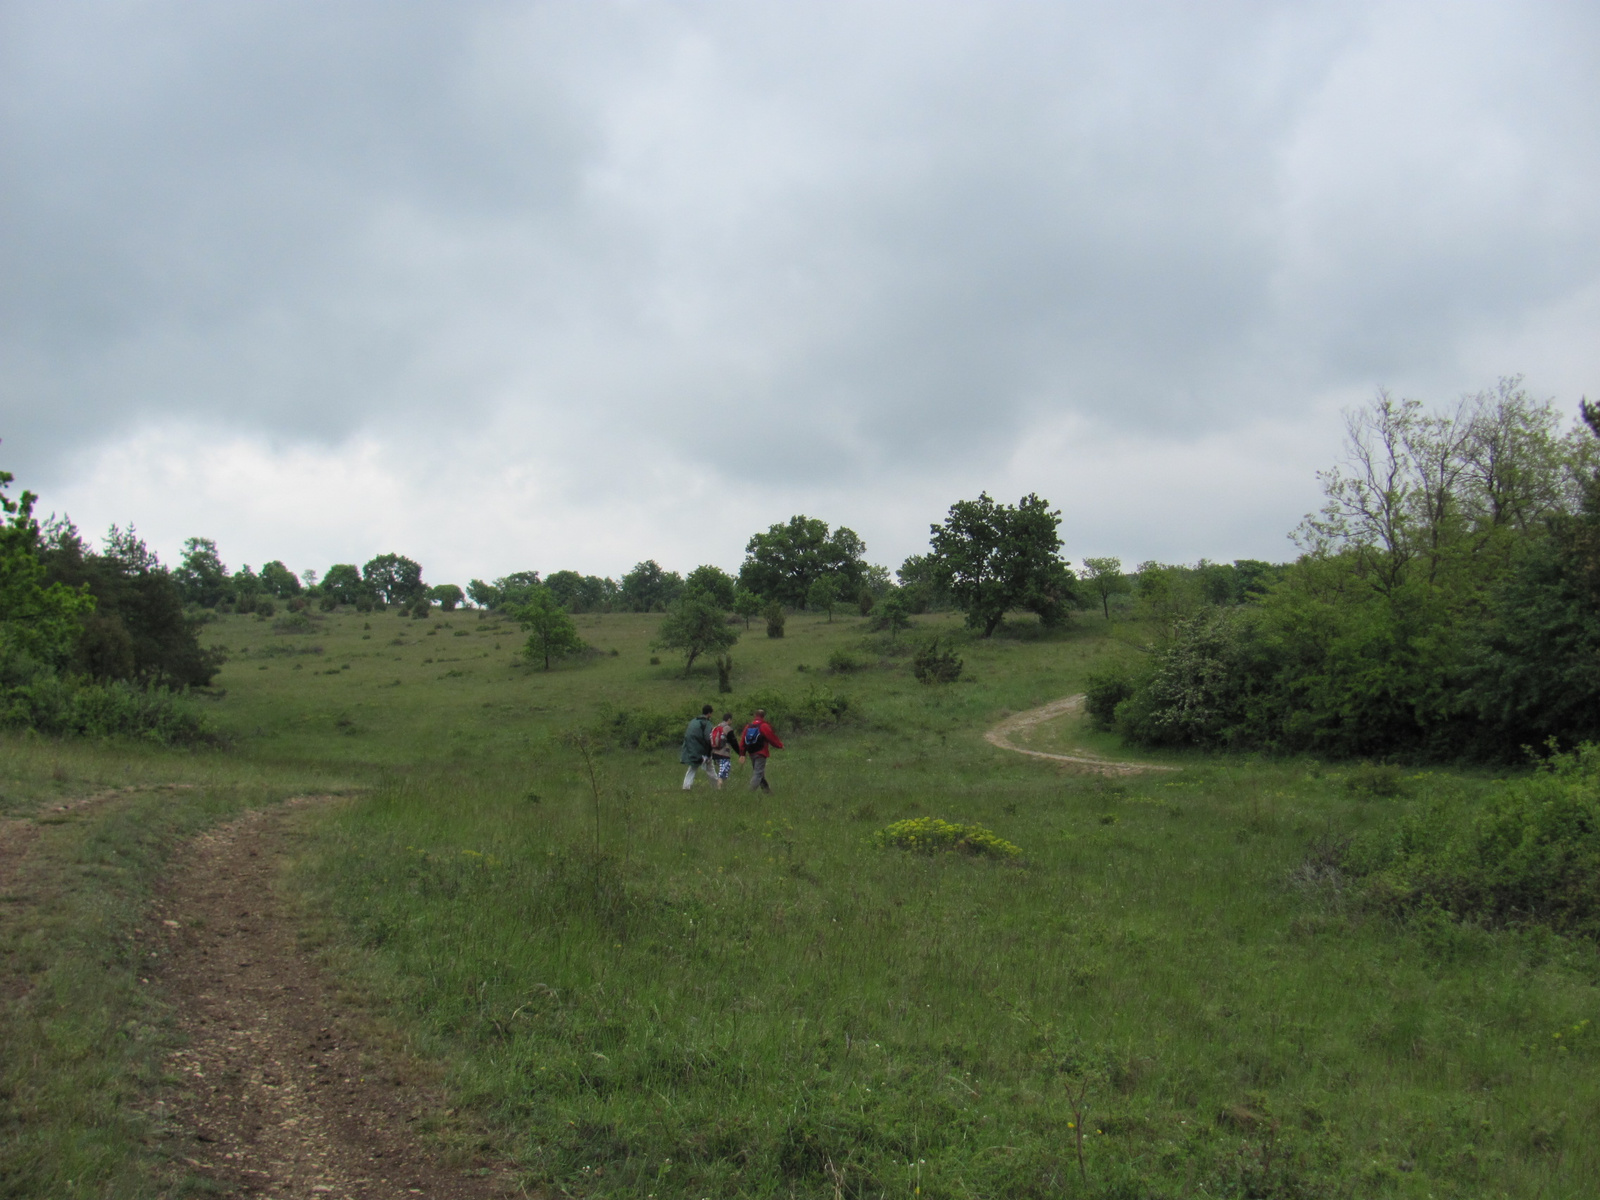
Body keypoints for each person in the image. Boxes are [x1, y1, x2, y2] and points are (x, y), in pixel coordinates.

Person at [740, 707, 784, 792]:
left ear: (755, 715)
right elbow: (771, 738)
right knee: (758, 773)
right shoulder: (764, 726)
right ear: (763, 716)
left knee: (760, 773)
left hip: (751, 753)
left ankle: (767, 792)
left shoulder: (748, 726)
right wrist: (780, 745)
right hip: (761, 753)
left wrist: (742, 754)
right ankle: (749, 793)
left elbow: (742, 741)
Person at [680, 704, 715, 790]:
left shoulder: (693, 721)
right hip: (701, 750)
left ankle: (686, 786)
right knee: (710, 767)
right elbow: (708, 737)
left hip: (691, 749)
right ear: (709, 713)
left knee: (693, 766)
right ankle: (716, 785)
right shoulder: (707, 723)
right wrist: (712, 747)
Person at [707, 710, 738, 789]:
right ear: (729, 720)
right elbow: (733, 742)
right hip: (724, 753)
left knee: (720, 770)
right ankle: (719, 788)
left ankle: (720, 787)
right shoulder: (727, 728)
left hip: (715, 753)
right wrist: (740, 752)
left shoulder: (716, 727)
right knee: (723, 772)